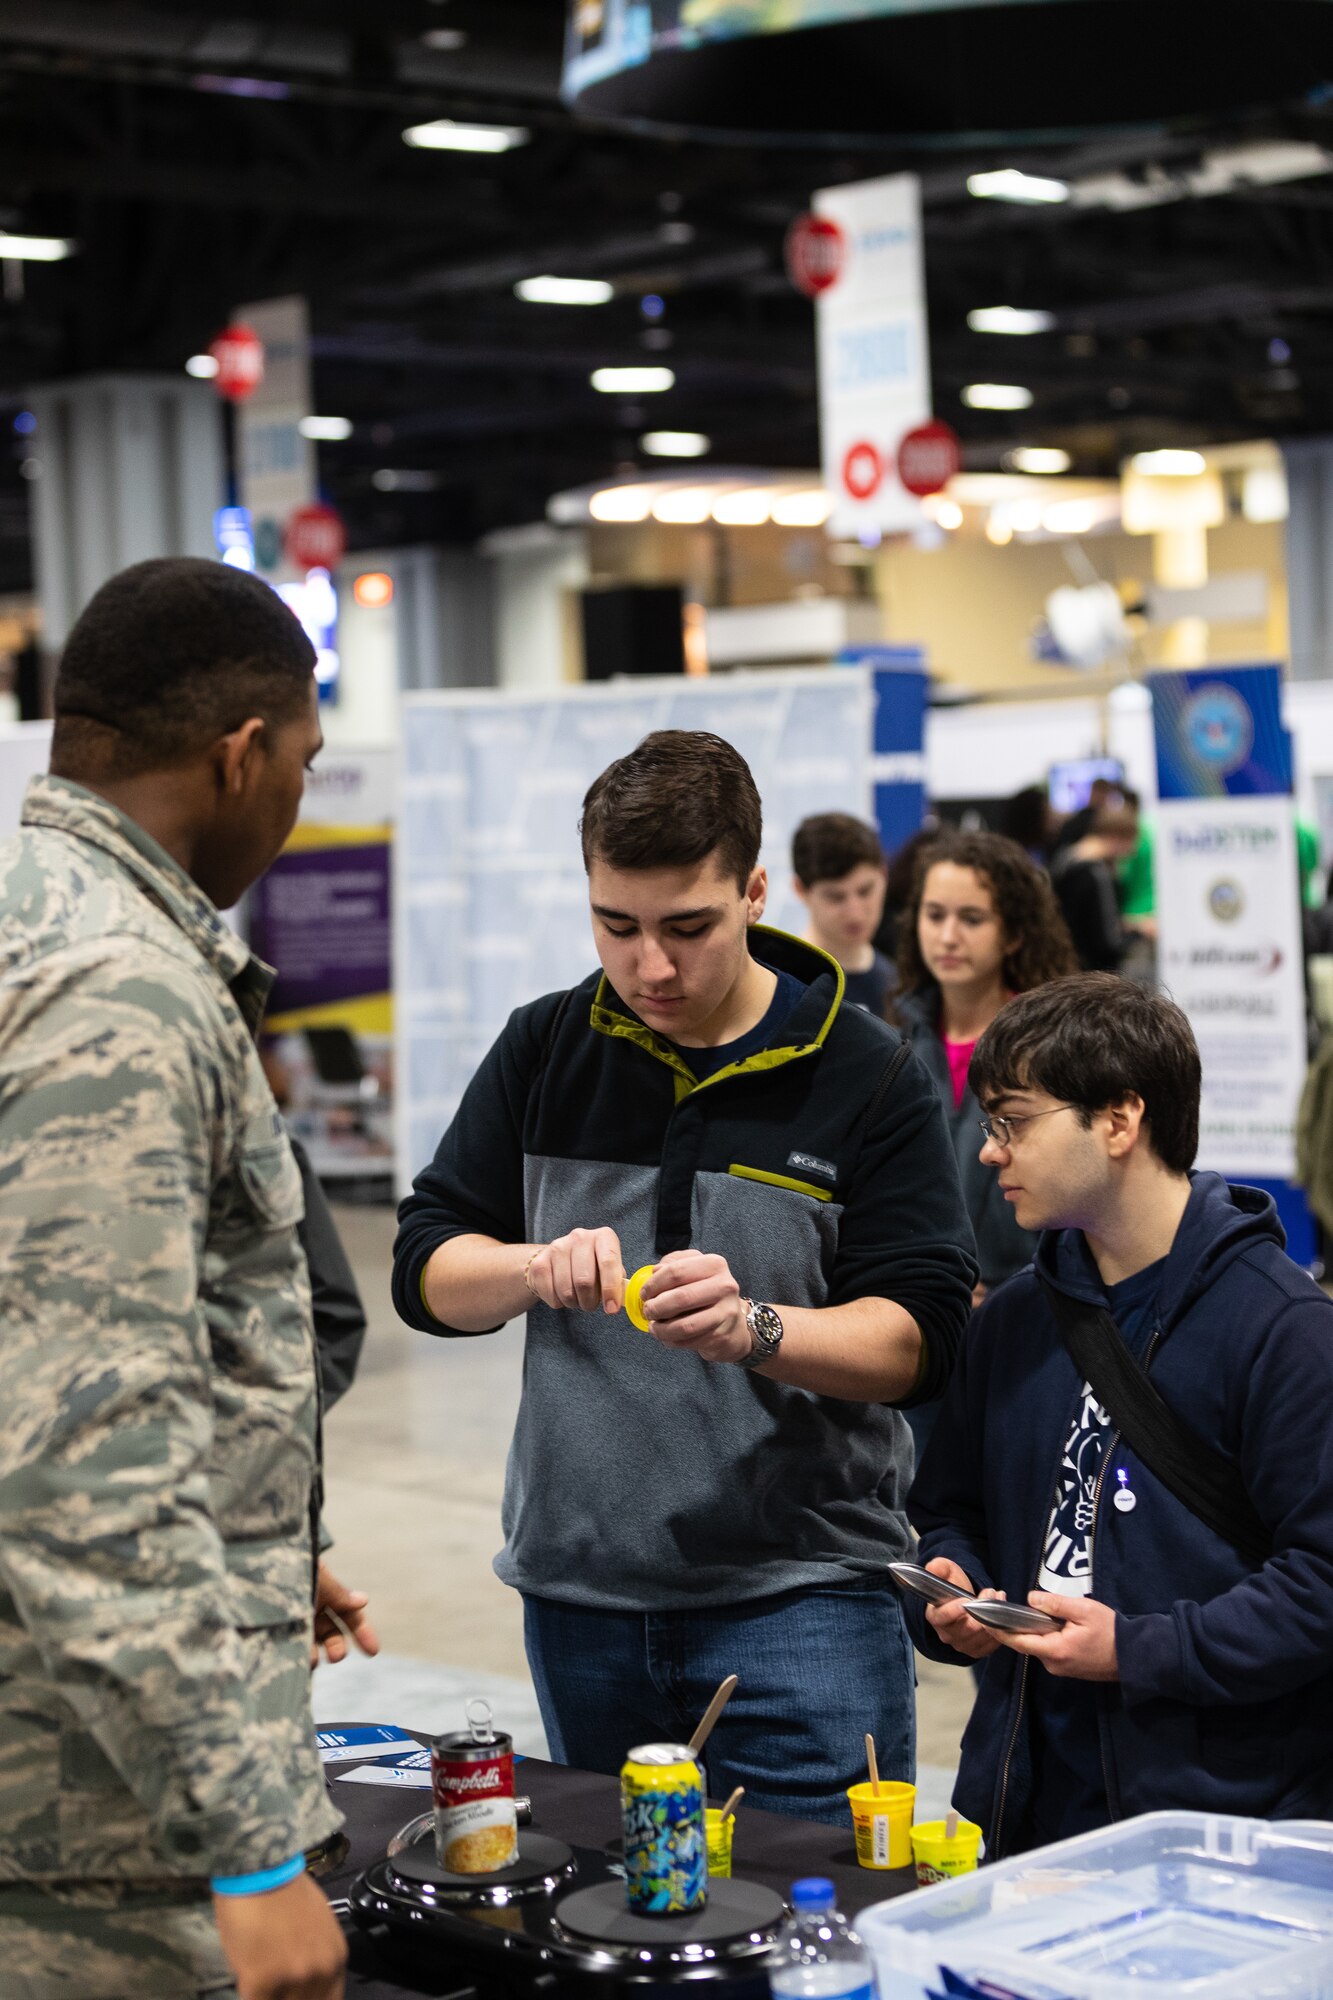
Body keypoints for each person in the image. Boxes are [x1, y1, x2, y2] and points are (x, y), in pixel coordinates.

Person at [393, 730, 976, 1825]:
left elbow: (923, 1336)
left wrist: (758, 1327)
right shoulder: (546, 1046)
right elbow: (424, 1264)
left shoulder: (867, 1073)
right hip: (579, 1600)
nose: (650, 966)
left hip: (800, 1601)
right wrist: (526, 1266)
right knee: (625, 1930)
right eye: (616, 925)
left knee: (808, 1943)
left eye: (687, 927)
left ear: (755, 892)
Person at [0, 557, 369, 2000]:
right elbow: (86, 1462)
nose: (297, 806)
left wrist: (256, 1534)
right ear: (239, 756)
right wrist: (250, 1848)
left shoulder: (33, 920)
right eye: (301, 766)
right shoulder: (121, 993)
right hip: (94, 1843)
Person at [903, 975, 1333, 1857]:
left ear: (1118, 1119)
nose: (990, 1153)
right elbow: (949, 1510)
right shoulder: (1013, 1320)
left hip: (1222, 1827)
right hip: (1030, 1811)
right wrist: (954, 1588)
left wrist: (1139, 1650)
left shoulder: (1281, 1329)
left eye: (1013, 1121)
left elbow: (1321, 1583)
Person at [891, 831, 1079, 1307]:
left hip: (1033, 1305)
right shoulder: (894, 1039)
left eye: (971, 918)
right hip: (919, 1308)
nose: (948, 936)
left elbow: (1080, 1203)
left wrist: (1007, 1292)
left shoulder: (1053, 1047)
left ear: (1014, 933)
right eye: (934, 915)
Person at [791, 811, 894, 1014]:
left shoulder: (900, 985)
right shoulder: (782, 985)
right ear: (800, 890)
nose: (855, 913)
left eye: (865, 891)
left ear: (884, 875)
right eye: (835, 897)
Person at [1049, 802, 1140, 971]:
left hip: (1065, 966)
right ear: (1116, 836)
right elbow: (1109, 943)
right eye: (1132, 840)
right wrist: (1137, 933)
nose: (1133, 850)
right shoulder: (1096, 873)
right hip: (1092, 974)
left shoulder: (1065, 860)